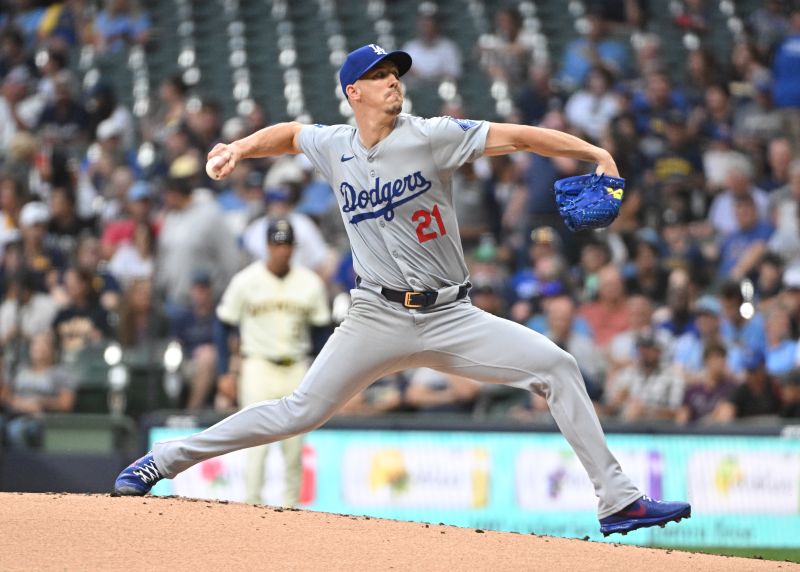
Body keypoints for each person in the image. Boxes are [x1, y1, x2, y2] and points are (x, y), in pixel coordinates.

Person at [114, 43, 690, 536]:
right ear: (353, 92)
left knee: (558, 366)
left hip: (451, 315)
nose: (394, 82)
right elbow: (291, 134)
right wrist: (240, 148)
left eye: (397, 74)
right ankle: (161, 460)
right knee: (299, 411)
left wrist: (595, 154)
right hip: (375, 316)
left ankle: (618, 501)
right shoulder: (334, 144)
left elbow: (517, 138)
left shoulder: (432, 136)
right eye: (381, 76)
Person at [215, 218, 330, 506]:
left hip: (296, 367)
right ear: (267, 246)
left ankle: (291, 512)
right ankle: (252, 508)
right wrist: (224, 372)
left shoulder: (310, 283)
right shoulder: (245, 281)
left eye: (287, 244)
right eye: (277, 244)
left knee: (294, 448)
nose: (282, 250)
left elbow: (322, 333)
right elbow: (223, 325)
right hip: (258, 366)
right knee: (256, 446)